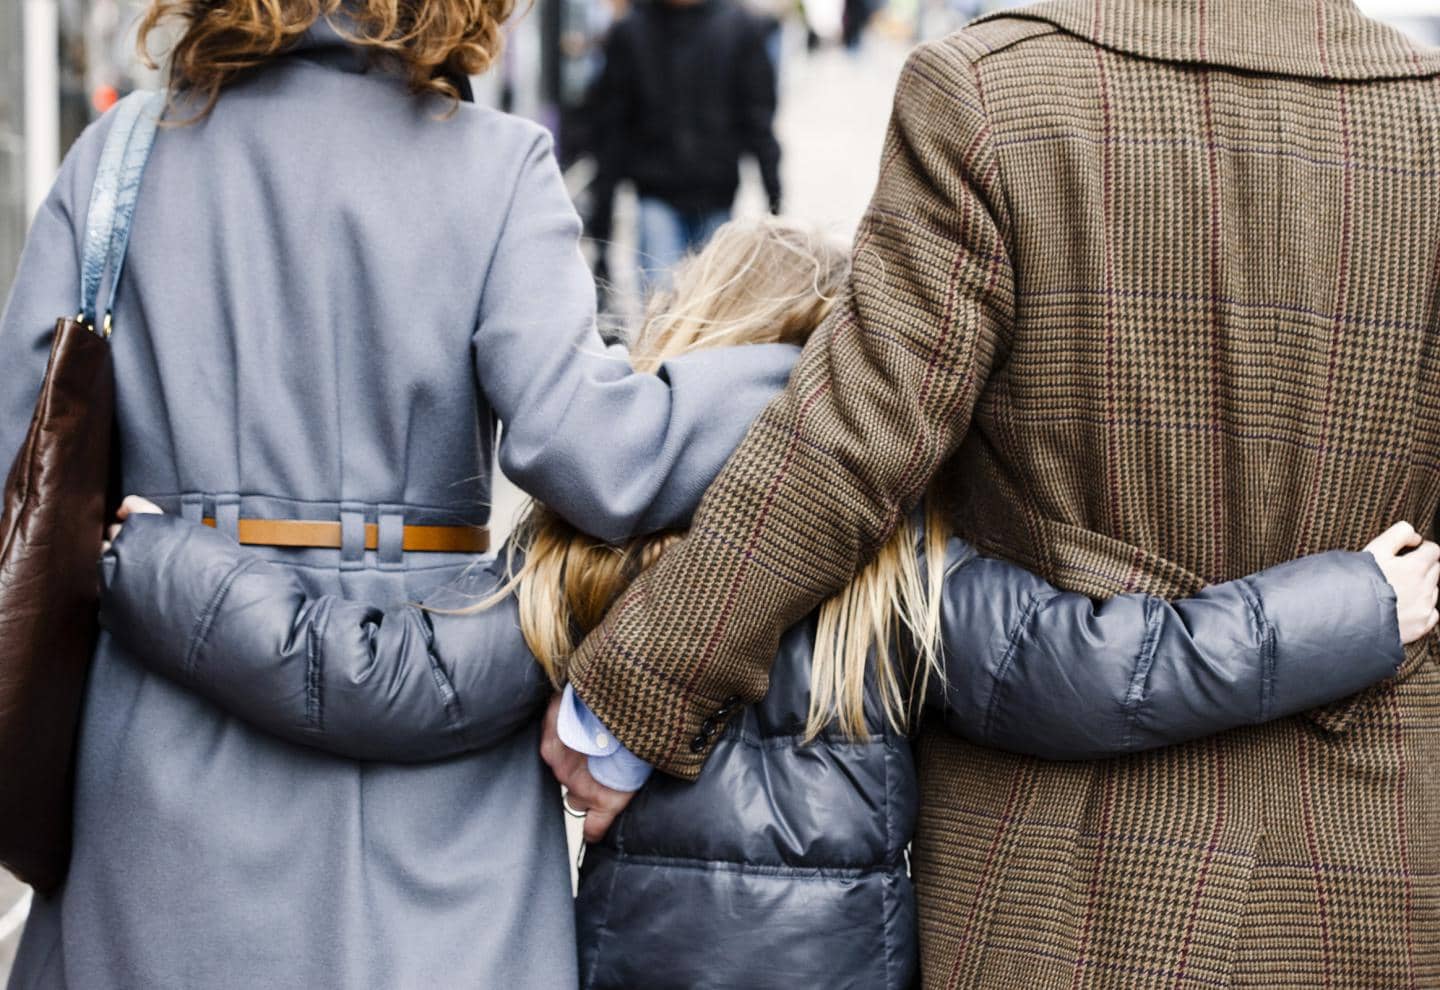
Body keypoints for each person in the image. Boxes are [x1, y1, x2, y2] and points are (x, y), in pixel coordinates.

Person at [103, 218, 1433, 988]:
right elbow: (1116, 665)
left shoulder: (592, 554)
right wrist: (1349, 609)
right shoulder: (896, 564)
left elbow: (379, 671)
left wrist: (156, 561)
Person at [553, 1, 1440, 986]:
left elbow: (854, 442)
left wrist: (634, 692)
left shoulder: (987, 93)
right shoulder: (1425, 119)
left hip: (1064, 867)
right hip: (1366, 853)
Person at [0, 0, 804, 985]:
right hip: (437, 782)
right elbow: (600, 454)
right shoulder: (495, 166)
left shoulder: (116, 161)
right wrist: (795, 370)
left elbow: (22, 475)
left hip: (161, 764)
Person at [586, 0, 782, 289]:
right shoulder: (631, 32)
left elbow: (758, 121)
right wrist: (601, 229)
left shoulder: (739, 28)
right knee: (662, 307)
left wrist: (775, 205)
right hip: (657, 195)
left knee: (712, 309)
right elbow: (611, 130)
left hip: (717, 196)